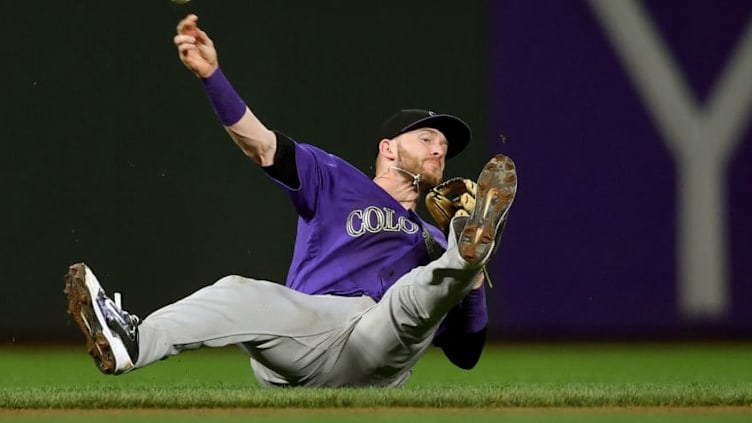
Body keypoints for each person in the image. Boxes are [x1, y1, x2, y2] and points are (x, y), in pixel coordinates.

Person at [64, 14, 518, 387]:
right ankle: (133, 342)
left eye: (444, 146)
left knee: (415, 291)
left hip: (377, 347)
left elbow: (465, 354)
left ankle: (471, 255)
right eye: (427, 138)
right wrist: (212, 77)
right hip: (306, 333)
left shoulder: (432, 236)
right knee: (234, 292)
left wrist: (470, 276)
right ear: (388, 148)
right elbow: (261, 146)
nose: (439, 149)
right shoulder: (334, 177)